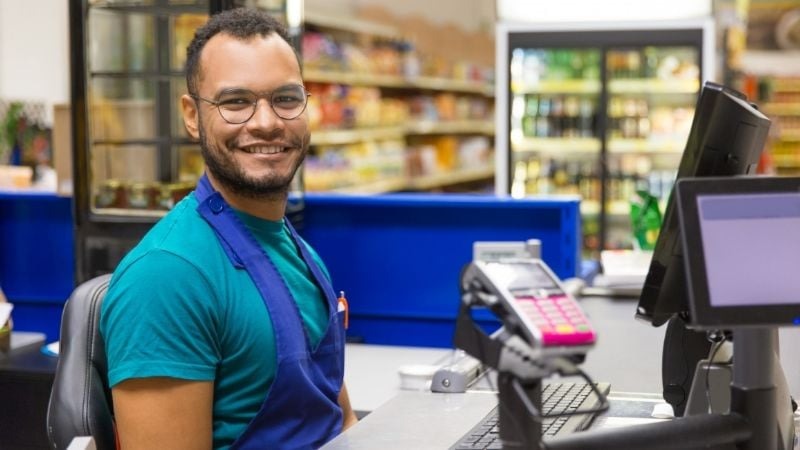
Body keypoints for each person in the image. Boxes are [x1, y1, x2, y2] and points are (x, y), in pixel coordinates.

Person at [99, 8, 358, 449]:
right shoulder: (167, 277)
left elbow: (340, 421)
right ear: (193, 115)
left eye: (286, 98)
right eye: (236, 101)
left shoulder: (301, 254)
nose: (266, 122)